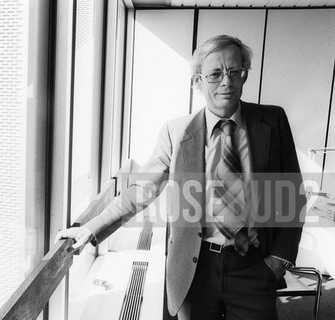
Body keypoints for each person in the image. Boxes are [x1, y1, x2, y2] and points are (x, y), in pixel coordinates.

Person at [55, 35, 305, 320]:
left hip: (254, 266)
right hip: (194, 268)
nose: (227, 81)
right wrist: (90, 229)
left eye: (235, 72)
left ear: (245, 75)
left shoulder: (272, 121)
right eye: (215, 74)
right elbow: (142, 190)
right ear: (197, 81)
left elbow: (293, 195)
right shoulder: (176, 132)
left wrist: (278, 261)